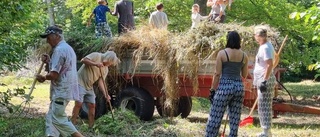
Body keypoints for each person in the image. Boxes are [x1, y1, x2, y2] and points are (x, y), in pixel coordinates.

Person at [36, 26, 83, 137]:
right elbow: (60, 68)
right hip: (65, 89)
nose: (47, 40)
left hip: (61, 91)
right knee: (50, 118)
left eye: (48, 37)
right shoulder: (67, 48)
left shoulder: (59, 50)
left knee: (58, 119)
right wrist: (49, 61)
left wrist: (43, 77)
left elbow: (54, 75)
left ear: (57, 36)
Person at [205, 31, 248, 137]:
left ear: (228, 40)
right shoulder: (244, 55)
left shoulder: (222, 53)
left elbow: (217, 73)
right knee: (234, 119)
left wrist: (212, 90)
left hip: (225, 88)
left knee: (215, 116)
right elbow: (244, 75)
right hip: (239, 88)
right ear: (239, 41)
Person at [71, 51, 120, 129]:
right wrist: (95, 64)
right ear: (108, 58)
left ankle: (91, 126)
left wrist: (106, 94)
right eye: (110, 63)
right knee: (79, 103)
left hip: (89, 86)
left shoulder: (105, 69)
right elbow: (83, 60)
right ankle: (72, 123)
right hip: (79, 82)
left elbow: (101, 83)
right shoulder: (96, 56)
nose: (110, 65)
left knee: (92, 105)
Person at [253, 25, 276, 137]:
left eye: (255, 35)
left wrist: (264, 81)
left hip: (265, 80)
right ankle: (266, 131)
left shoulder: (266, 47)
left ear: (259, 36)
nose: (255, 38)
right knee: (263, 106)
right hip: (263, 79)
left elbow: (270, 64)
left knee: (264, 107)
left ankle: (266, 132)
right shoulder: (265, 45)